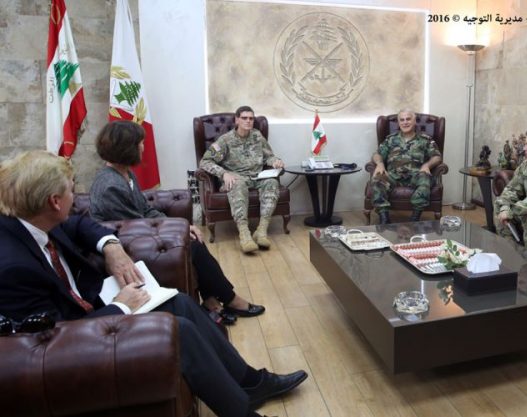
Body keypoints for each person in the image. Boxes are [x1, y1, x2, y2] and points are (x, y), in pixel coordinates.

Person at [0, 150, 307, 417]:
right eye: (71, 191)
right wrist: (121, 306)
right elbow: (47, 345)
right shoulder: (13, 267)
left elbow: (80, 222)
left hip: (90, 308)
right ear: (54, 202)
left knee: (180, 302)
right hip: (71, 344)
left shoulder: (32, 218)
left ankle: (251, 382)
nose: (76, 197)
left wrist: (111, 246)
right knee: (179, 331)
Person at [89, 121, 264, 324]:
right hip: (128, 247)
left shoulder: (124, 173)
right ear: (126, 148)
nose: (143, 148)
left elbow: (145, 210)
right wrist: (177, 230)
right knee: (193, 245)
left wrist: (181, 225)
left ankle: (210, 299)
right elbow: (135, 225)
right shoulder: (110, 185)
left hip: (139, 234)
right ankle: (230, 299)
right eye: (140, 143)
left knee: (193, 238)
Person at [199, 106, 285, 253]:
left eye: (251, 118)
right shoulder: (225, 140)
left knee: (272, 182)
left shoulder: (257, 136)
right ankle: (244, 234)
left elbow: (269, 156)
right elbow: (205, 162)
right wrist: (223, 174)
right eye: (244, 118)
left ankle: (261, 230)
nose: (248, 121)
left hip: (257, 177)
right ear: (237, 120)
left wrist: (276, 161)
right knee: (236, 184)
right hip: (236, 177)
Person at [370, 109, 442, 224]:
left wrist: (427, 165)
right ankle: (384, 218)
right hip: (393, 176)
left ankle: (415, 218)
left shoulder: (425, 140)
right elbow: (377, 154)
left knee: (425, 179)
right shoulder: (391, 139)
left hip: (416, 175)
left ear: (414, 121)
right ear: (398, 123)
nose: (405, 122)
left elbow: (437, 157)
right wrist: (380, 164)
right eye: (402, 120)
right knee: (378, 180)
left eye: (408, 119)